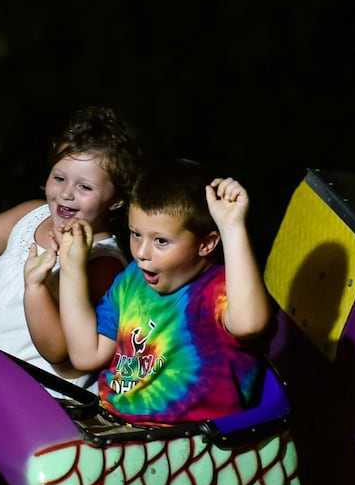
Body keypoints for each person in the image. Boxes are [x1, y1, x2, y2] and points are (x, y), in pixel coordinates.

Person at [57, 158, 272, 424]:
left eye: (161, 241)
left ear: (206, 244)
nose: (141, 253)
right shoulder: (131, 281)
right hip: (113, 428)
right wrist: (70, 269)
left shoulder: (220, 289)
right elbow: (86, 354)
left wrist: (232, 227)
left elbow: (250, 324)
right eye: (136, 234)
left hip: (186, 445)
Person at [0, 106, 141, 388]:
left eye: (85, 187)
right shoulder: (31, 215)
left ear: (117, 200)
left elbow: (61, 352)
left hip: (40, 395)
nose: (66, 193)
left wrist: (37, 287)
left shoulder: (104, 263)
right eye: (59, 178)